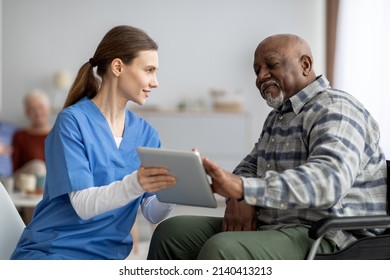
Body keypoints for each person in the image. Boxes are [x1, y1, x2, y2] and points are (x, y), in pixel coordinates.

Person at [147, 34, 388, 260]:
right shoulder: (278, 116)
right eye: (257, 70)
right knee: (171, 232)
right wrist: (240, 199)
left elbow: (328, 182)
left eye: (271, 65)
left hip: (329, 235)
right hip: (277, 224)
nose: (261, 76)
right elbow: (249, 166)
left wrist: (244, 189)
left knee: (223, 250)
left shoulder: (336, 109)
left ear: (305, 65)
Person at [11, 25, 176, 260]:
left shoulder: (147, 135)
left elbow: (152, 212)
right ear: (118, 67)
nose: (155, 81)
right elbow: (83, 205)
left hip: (107, 258)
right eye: (149, 70)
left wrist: (175, 191)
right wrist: (136, 183)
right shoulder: (72, 122)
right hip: (55, 252)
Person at [12, 89, 52, 190]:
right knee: (38, 167)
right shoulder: (20, 135)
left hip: (52, 180)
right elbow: (14, 167)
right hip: (24, 179)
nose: (37, 113)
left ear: (49, 109)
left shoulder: (59, 134)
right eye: (32, 109)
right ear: (26, 112)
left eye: (40, 107)